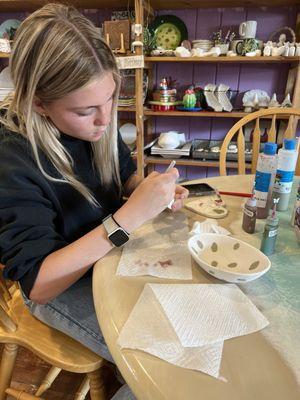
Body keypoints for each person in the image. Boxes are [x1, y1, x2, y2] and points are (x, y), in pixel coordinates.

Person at [0, 3, 189, 399]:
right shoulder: (12, 159)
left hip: (107, 257)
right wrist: (127, 219)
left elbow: (124, 175)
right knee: (165, 367)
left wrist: (151, 189)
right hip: (60, 284)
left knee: (188, 314)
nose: (105, 122)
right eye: (87, 111)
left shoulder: (96, 124)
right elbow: (39, 285)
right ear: (38, 103)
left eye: (111, 100)